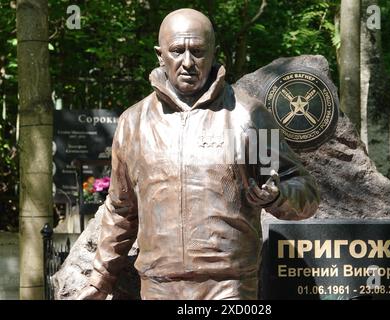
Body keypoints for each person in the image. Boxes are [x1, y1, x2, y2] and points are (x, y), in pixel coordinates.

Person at [77, 8, 320, 300]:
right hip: (158, 286)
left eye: (198, 51)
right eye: (177, 51)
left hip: (229, 288)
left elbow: (302, 189)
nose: (188, 62)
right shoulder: (134, 123)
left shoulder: (248, 116)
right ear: (160, 54)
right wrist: (100, 278)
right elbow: (121, 210)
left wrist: (278, 195)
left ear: (214, 53)